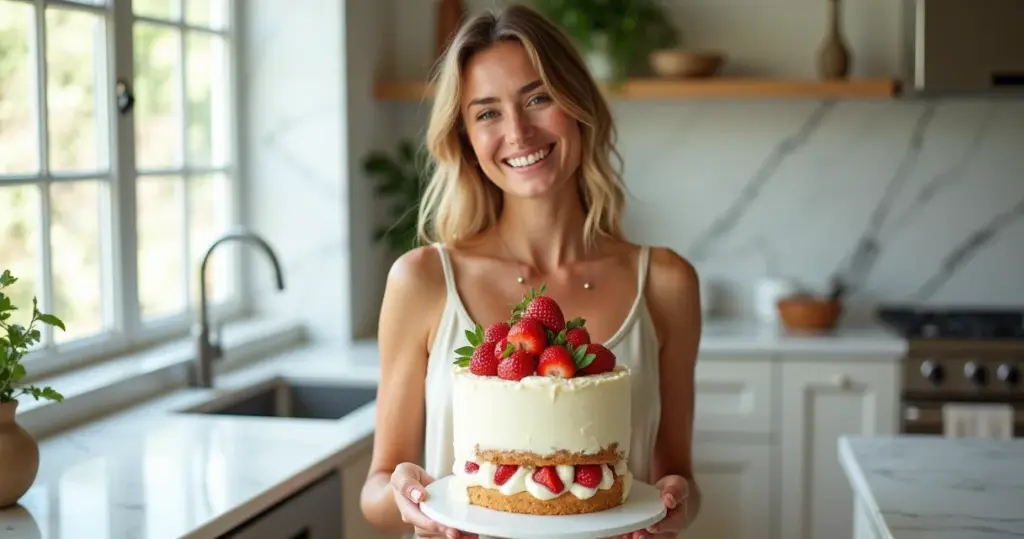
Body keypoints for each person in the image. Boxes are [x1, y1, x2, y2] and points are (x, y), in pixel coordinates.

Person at [359, 4, 702, 538]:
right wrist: (406, 498)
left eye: (538, 98)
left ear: (578, 105)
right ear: (467, 139)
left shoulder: (666, 282)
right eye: (487, 112)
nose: (518, 131)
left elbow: (679, 477)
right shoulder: (421, 280)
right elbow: (378, 488)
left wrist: (678, 505)